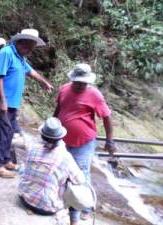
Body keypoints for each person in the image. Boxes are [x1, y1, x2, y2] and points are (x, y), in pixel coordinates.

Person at [54, 63, 117, 224]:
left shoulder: (95, 95)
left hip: (84, 142)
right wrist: (52, 127)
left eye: (84, 82)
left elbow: (107, 117)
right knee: (62, 170)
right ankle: (64, 202)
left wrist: (110, 140)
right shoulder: (64, 89)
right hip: (62, 139)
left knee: (81, 174)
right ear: (72, 79)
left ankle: (84, 208)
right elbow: (59, 109)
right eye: (77, 82)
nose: (80, 85)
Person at [0, 28, 53, 178]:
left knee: (9, 132)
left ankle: (6, 160)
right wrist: (2, 101)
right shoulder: (6, 53)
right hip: (3, 102)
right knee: (3, 133)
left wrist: (44, 83)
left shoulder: (20, 57)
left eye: (33, 48)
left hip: (12, 103)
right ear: (22, 42)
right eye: (30, 47)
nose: (31, 51)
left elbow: (30, 72)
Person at [18, 117, 85, 223]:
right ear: (60, 138)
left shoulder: (32, 147)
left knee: (25, 168)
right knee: (73, 183)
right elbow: (80, 180)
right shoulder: (65, 157)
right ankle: (74, 221)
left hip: (25, 199)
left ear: (42, 135)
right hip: (47, 208)